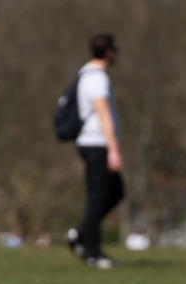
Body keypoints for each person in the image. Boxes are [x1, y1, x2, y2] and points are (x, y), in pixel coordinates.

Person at [66, 33, 124, 270]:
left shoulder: (85, 73)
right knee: (97, 197)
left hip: (92, 143)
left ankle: (79, 234)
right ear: (109, 52)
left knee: (115, 191)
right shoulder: (97, 77)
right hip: (97, 143)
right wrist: (113, 149)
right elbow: (103, 113)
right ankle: (93, 252)